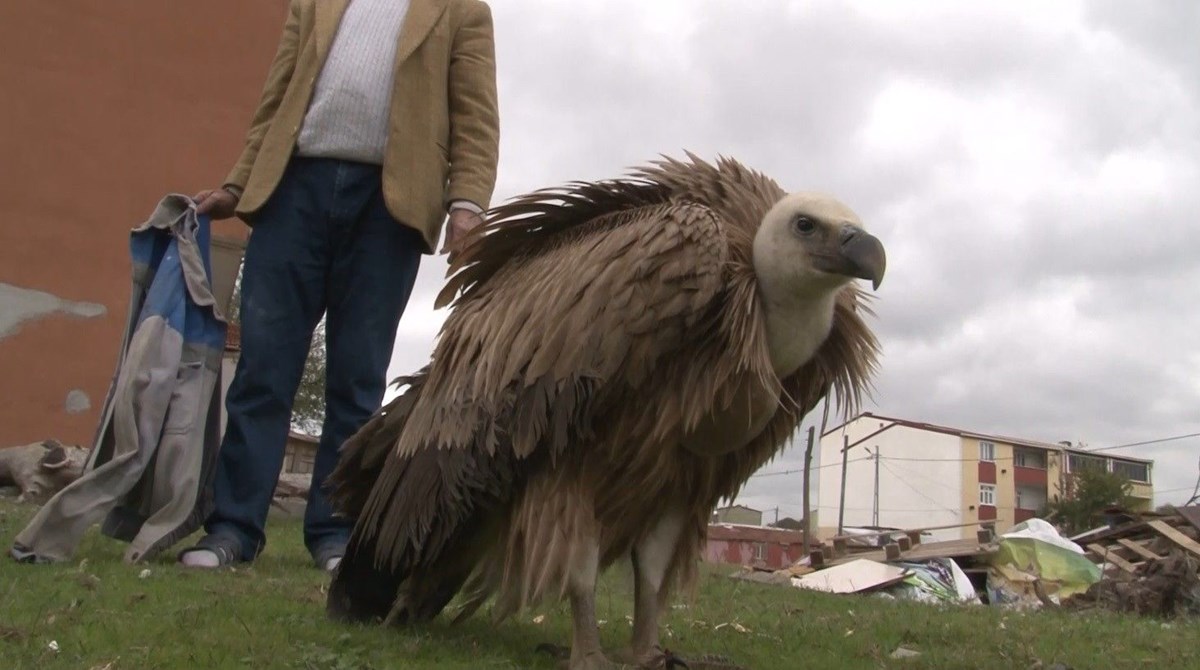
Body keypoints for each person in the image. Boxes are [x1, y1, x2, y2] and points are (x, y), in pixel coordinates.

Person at [179, 0, 500, 571]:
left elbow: (475, 112)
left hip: (389, 206)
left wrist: (468, 205)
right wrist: (239, 182)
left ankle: (336, 533)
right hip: (293, 191)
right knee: (262, 369)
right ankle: (231, 529)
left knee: (357, 380)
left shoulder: (462, 10)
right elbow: (276, 98)